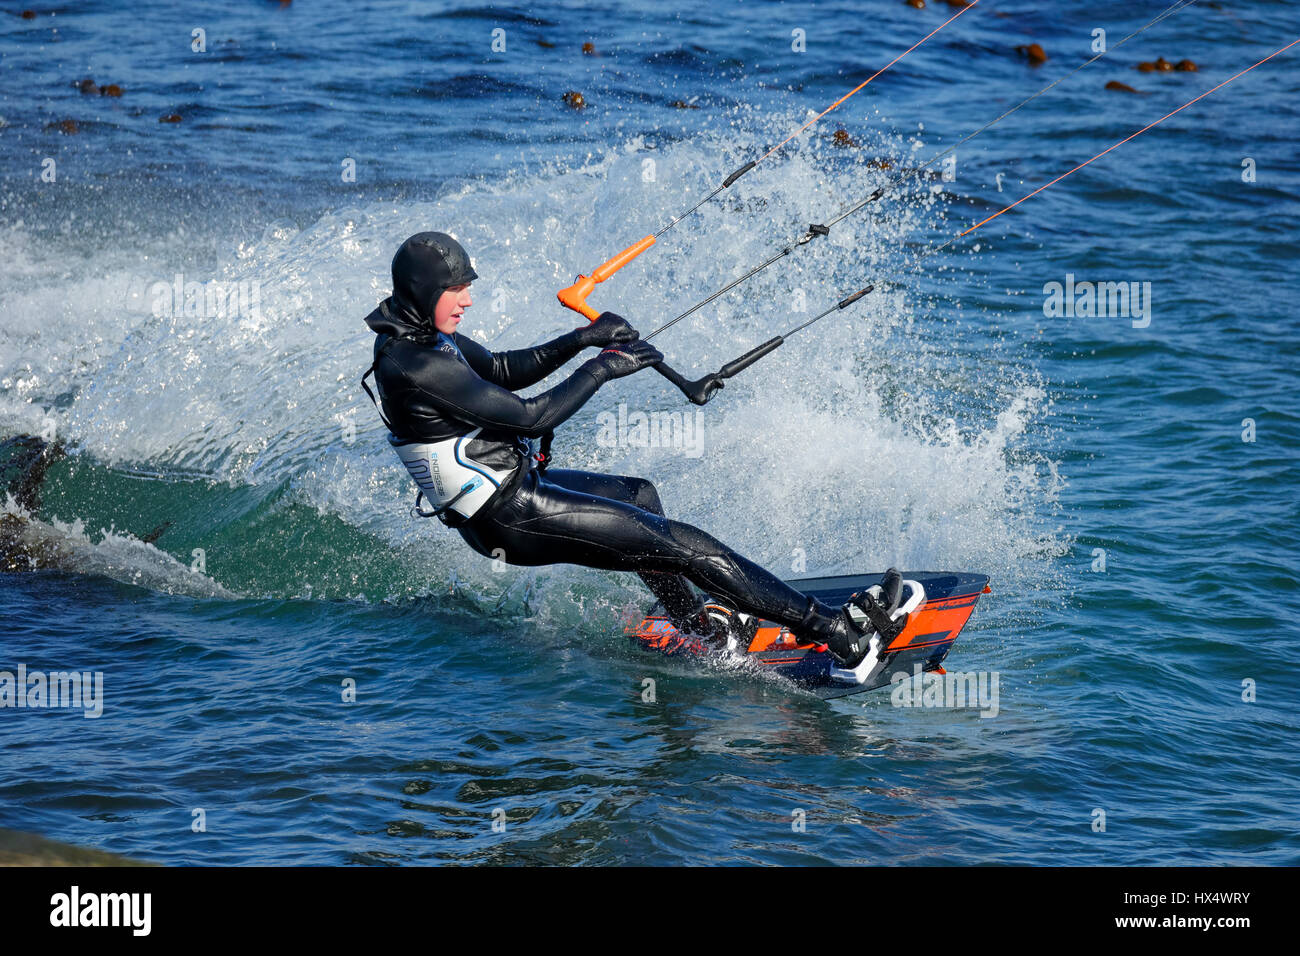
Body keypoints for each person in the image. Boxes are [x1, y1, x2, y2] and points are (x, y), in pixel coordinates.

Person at [361, 231, 889, 666]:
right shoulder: (413, 363)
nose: (468, 300)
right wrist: (602, 368)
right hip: (506, 516)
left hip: (515, 485)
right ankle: (835, 630)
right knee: (684, 545)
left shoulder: (429, 335)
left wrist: (582, 338)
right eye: (457, 290)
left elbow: (500, 369)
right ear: (424, 290)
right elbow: (530, 416)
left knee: (640, 495)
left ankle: (701, 630)